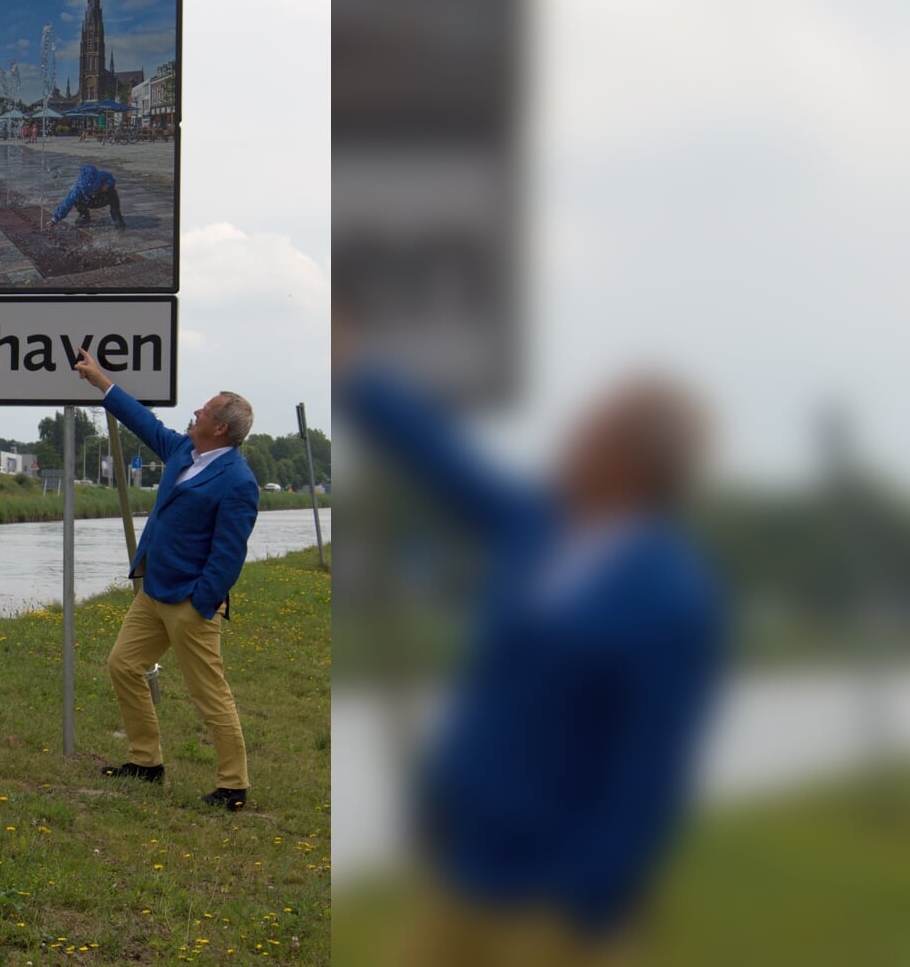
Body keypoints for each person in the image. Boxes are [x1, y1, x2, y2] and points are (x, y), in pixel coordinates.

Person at [339, 353, 724, 966]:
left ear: (632, 458)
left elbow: (649, 771)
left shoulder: (670, 594)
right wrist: (356, 368)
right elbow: (442, 461)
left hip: (553, 900)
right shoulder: (540, 525)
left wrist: (587, 896)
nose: (575, 434)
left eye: (596, 424)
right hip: (466, 863)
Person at [71, 349, 259, 810]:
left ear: (221, 428)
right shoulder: (183, 450)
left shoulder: (238, 482)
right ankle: (146, 763)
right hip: (153, 591)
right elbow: (143, 422)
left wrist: (201, 601)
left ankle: (234, 786)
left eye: (205, 410)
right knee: (123, 665)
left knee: (208, 693)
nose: (195, 411)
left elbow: (229, 553)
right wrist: (100, 380)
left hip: (190, 602)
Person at [46, 164, 126, 230]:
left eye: (95, 187)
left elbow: (112, 179)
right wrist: (54, 220)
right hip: (88, 202)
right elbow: (66, 205)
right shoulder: (77, 189)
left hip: (102, 199)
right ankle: (84, 216)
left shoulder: (103, 175)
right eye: (89, 189)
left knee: (113, 192)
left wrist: (107, 185)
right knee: (75, 199)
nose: (93, 190)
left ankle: (117, 218)